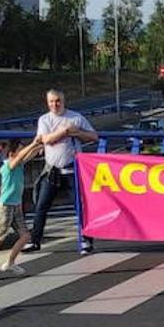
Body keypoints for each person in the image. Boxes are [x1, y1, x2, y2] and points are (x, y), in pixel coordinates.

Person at [23, 89, 99, 255]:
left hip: (72, 170)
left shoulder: (76, 117)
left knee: (80, 207)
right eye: (51, 101)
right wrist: (65, 131)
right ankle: (35, 240)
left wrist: (77, 132)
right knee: (41, 205)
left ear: (63, 101)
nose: (54, 104)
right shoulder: (44, 119)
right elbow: (46, 140)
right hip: (52, 171)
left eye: (57, 101)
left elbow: (94, 136)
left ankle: (86, 240)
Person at [0, 137, 44, 281]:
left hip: (16, 206)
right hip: (5, 206)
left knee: (25, 236)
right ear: (11, 153)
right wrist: (33, 144)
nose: (22, 153)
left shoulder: (19, 164)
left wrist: (40, 146)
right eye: (19, 150)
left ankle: (10, 262)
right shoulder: (8, 165)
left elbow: (28, 155)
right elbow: (21, 157)